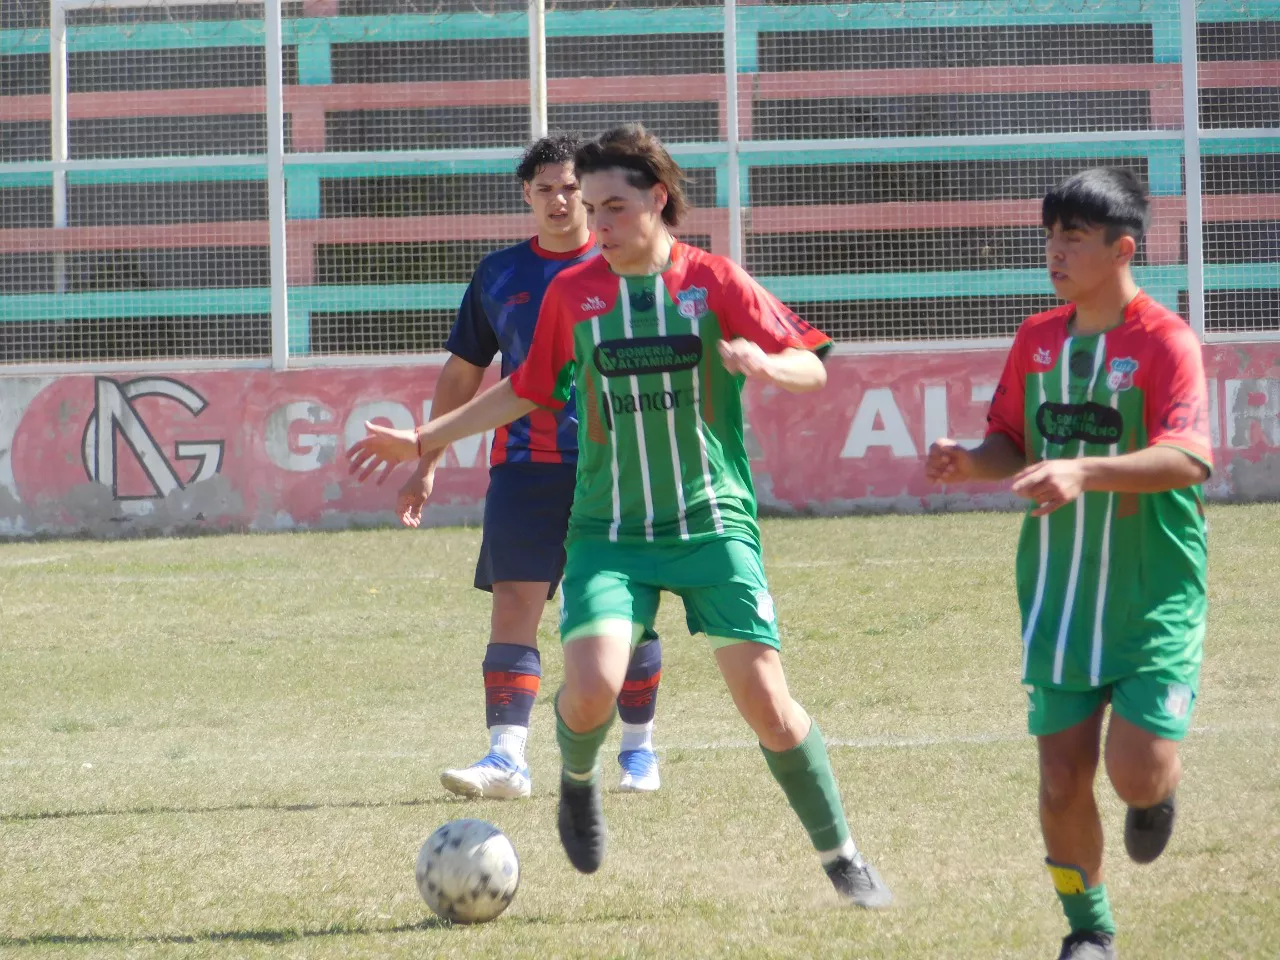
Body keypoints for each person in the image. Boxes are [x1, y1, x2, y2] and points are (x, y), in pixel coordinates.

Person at [348, 123, 892, 906]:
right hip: (607, 531)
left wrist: (765, 362)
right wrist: (426, 440)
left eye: (610, 208)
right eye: (589, 209)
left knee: (769, 708)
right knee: (592, 686)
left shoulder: (713, 282)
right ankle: (576, 779)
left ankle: (844, 858)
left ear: (658, 199)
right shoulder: (575, 292)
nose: (594, 224)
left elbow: (811, 362)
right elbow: (528, 385)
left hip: (711, 522)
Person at [925, 168, 1212, 960]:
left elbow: (1189, 458)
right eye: (1050, 235)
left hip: (1152, 594)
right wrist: (968, 461)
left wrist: (1085, 470)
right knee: (1059, 779)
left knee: (1137, 776)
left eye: (1074, 237)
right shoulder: (1036, 339)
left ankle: (1159, 794)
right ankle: (1089, 930)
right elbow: (1013, 442)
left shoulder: (1165, 341)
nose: (1055, 250)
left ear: (1124, 249)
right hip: (1058, 595)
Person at [396, 134, 663, 800]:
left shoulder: (627, 265)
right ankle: (507, 758)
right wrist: (428, 458)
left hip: (616, 470)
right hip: (523, 468)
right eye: (544, 189)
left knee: (621, 614)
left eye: (570, 187)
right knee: (514, 604)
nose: (559, 200)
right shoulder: (499, 275)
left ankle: (638, 752)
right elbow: (464, 373)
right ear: (526, 195)